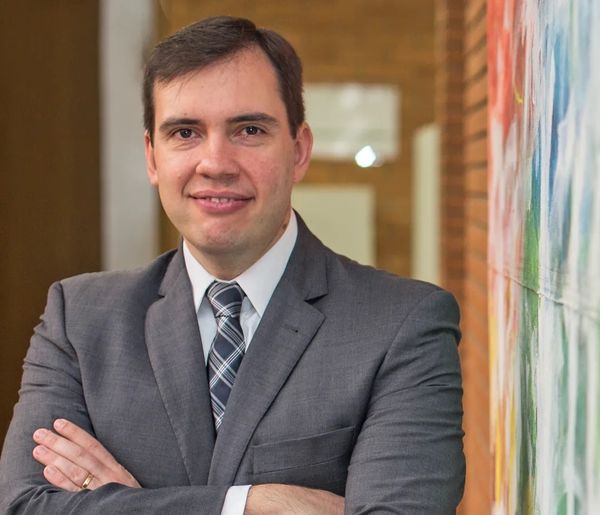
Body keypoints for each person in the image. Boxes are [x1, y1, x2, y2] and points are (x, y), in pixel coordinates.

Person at [0, 16, 464, 514]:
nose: (216, 163)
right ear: (152, 157)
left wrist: (129, 504)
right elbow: (26, 505)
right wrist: (247, 504)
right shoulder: (79, 319)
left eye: (248, 130)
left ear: (299, 150)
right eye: (185, 132)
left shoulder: (402, 324)